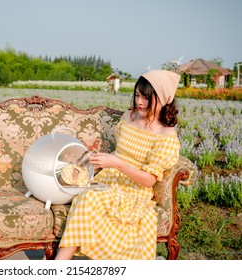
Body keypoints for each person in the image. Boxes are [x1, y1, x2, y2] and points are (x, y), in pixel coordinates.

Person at [55, 70, 181, 260]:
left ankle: (59, 263)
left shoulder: (166, 135)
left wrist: (118, 164)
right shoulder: (129, 116)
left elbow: (148, 181)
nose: (139, 102)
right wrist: (96, 161)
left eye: (146, 98)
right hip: (109, 178)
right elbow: (119, 153)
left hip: (134, 188)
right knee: (85, 195)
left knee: (90, 199)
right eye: (137, 95)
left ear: (164, 100)